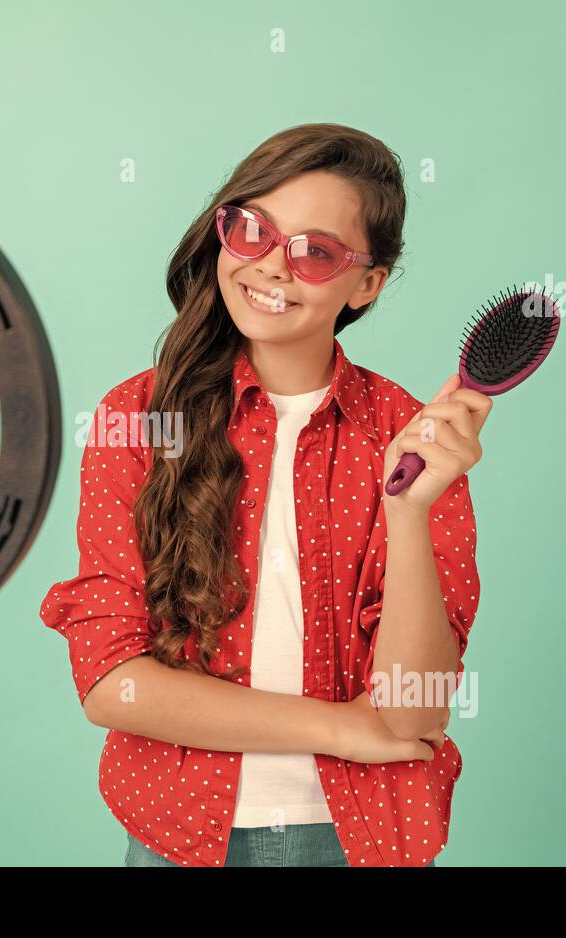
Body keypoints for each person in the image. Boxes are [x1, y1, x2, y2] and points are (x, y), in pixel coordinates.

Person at [39, 123, 491, 867]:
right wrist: (340, 727)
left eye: (316, 251)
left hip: (356, 835)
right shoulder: (137, 421)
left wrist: (408, 511)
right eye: (252, 230)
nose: (272, 267)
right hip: (178, 835)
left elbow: (413, 711)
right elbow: (112, 685)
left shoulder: (407, 439)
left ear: (368, 283)